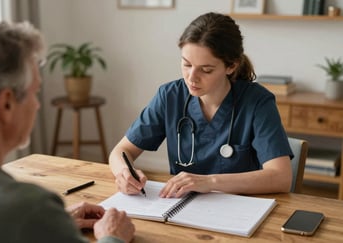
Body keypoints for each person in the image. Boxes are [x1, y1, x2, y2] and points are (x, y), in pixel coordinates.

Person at [0, 19, 134, 243]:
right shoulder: (28, 209)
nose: (37, 105)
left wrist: (51, 227)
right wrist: (113, 237)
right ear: (6, 103)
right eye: (35, 92)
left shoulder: (27, 217)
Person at [109, 12, 293, 198]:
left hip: (238, 208)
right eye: (187, 64)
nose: (191, 77)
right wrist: (124, 173)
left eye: (206, 70)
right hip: (179, 207)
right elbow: (121, 151)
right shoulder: (170, 96)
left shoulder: (257, 101)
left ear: (231, 66)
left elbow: (281, 177)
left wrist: (209, 182)